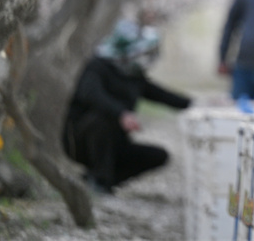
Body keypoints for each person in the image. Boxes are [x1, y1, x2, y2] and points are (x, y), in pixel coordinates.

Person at [62, 19, 191, 194]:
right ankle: (100, 180)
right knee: (102, 119)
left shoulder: (134, 76)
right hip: (81, 141)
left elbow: (161, 95)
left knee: (159, 156)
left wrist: (195, 104)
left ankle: (101, 181)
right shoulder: (97, 67)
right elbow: (91, 94)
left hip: (116, 144)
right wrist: (121, 113)